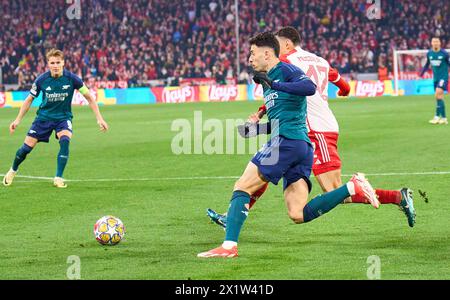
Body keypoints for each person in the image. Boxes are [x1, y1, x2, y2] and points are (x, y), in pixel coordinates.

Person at [207, 26, 415, 230]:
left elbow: (282, 89)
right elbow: (344, 86)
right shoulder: (319, 60)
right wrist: (340, 93)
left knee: (333, 190)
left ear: (286, 44)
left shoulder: (285, 62)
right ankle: (233, 214)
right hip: (320, 125)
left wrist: (261, 111)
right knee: (267, 169)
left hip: (313, 129)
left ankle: (396, 196)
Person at [197, 32, 379, 258]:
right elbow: (281, 119)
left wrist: (275, 83)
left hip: (287, 142)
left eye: (253, 54)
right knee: (297, 213)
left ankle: (228, 247)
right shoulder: (267, 80)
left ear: (267, 53)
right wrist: (255, 129)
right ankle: (352, 188)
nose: (250, 59)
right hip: (299, 146)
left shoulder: (285, 70)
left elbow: (309, 88)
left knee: (243, 186)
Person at [2, 49, 108, 188]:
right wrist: (17, 120)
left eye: (58, 62)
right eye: (52, 63)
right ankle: (13, 170)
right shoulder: (41, 80)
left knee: (65, 141)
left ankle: (58, 177)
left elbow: (89, 98)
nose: (55, 65)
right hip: (43, 119)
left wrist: (99, 118)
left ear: (63, 63)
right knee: (26, 149)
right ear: (48, 64)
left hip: (63, 118)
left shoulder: (73, 79)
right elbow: (29, 100)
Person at [419, 36, 450, 125]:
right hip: (435, 78)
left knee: (437, 93)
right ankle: (444, 118)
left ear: (440, 43)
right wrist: (421, 75)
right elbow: (426, 65)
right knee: (439, 97)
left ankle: (436, 116)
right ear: (431, 43)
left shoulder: (444, 53)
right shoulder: (429, 53)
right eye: (434, 41)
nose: (435, 43)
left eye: (437, 41)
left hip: (443, 77)